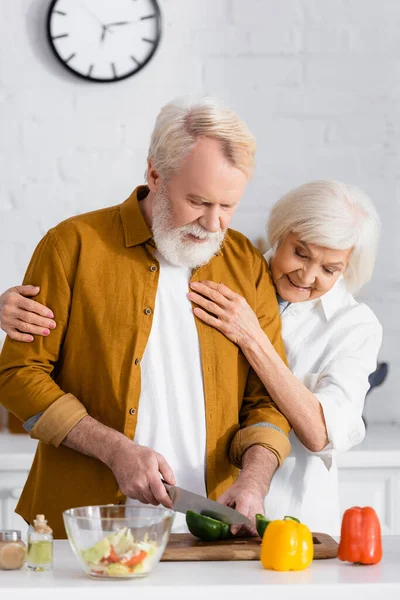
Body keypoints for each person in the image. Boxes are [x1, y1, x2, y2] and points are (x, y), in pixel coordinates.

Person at [0, 96, 292, 538]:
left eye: (228, 206)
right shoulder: (72, 246)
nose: (214, 224)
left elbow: (266, 398)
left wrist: (253, 480)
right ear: (155, 173)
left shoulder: (245, 265)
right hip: (83, 527)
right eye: (198, 201)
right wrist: (115, 449)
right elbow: (19, 375)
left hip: (209, 531)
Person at [185, 180, 382, 534]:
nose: (306, 275)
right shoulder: (225, 275)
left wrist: (252, 337)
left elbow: (320, 433)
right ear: (280, 233)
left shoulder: (355, 326)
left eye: (330, 269)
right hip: (196, 503)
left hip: (289, 518)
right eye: (300, 253)